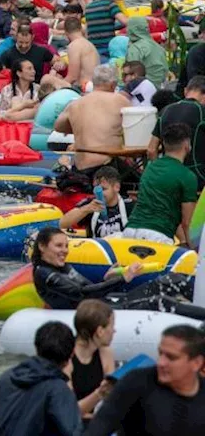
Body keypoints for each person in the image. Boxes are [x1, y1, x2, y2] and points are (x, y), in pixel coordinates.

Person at [31, 227, 192, 311]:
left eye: (66, 245)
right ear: (42, 246)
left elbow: (87, 287)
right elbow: (82, 294)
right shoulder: (44, 273)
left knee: (169, 281)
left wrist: (108, 278)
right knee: (159, 302)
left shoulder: (62, 266)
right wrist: (123, 278)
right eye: (58, 246)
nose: (65, 250)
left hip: (105, 302)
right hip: (96, 312)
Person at [82, 325, 205, 435]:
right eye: (160, 353)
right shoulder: (137, 382)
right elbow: (100, 426)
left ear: (196, 363)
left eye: (171, 357)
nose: (161, 363)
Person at [0, 320, 83, 436]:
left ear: (36, 348)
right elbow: (73, 431)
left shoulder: (6, 378)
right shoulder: (58, 389)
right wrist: (69, 383)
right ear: (72, 353)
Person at [124, 122, 197, 244]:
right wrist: (195, 251)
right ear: (187, 145)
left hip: (130, 230)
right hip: (157, 237)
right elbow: (187, 223)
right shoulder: (187, 176)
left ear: (163, 144)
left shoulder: (150, 168)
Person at [53, 65, 128, 175]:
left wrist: (79, 127)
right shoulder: (120, 100)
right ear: (113, 85)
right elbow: (135, 127)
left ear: (93, 83)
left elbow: (58, 127)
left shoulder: (76, 103)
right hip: (105, 166)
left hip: (80, 167)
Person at [148, 75, 205, 190]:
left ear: (185, 91)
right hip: (197, 177)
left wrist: (159, 171)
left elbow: (151, 149)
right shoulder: (201, 112)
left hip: (167, 177)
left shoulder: (165, 111)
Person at [71, 299, 116, 420]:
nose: (114, 331)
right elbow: (68, 411)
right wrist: (99, 394)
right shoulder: (66, 359)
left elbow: (112, 401)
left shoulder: (106, 353)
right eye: (112, 326)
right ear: (100, 331)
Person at [57, 166, 131, 238]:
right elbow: (62, 224)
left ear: (116, 187)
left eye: (104, 189)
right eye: (96, 189)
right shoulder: (90, 204)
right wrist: (86, 209)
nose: (99, 193)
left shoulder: (129, 205)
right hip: (97, 248)